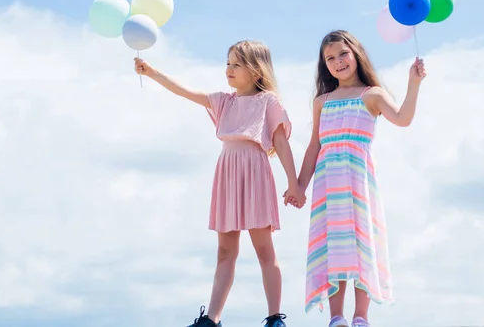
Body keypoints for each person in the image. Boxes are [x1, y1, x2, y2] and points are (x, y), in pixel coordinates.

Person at [134, 40, 305, 327]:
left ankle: (275, 318)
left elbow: (281, 143)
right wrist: (152, 72)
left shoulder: (268, 102)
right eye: (228, 62)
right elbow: (186, 92)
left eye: (237, 64)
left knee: (264, 249)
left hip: (254, 173)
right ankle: (212, 320)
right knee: (225, 251)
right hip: (227, 174)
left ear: (257, 71)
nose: (229, 69)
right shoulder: (225, 101)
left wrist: (293, 183)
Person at [289, 30, 426, 327]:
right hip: (328, 183)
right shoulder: (322, 101)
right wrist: (299, 186)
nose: (338, 62)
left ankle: (360, 317)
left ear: (356, 54)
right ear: (324, 65)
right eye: (330, 58)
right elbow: (315, 146)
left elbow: (402, 118)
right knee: (333, 244)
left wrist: (413, 84)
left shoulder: (372, 95)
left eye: (343, 54)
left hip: (358, 180)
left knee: (362, 242)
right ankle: (336, 317)